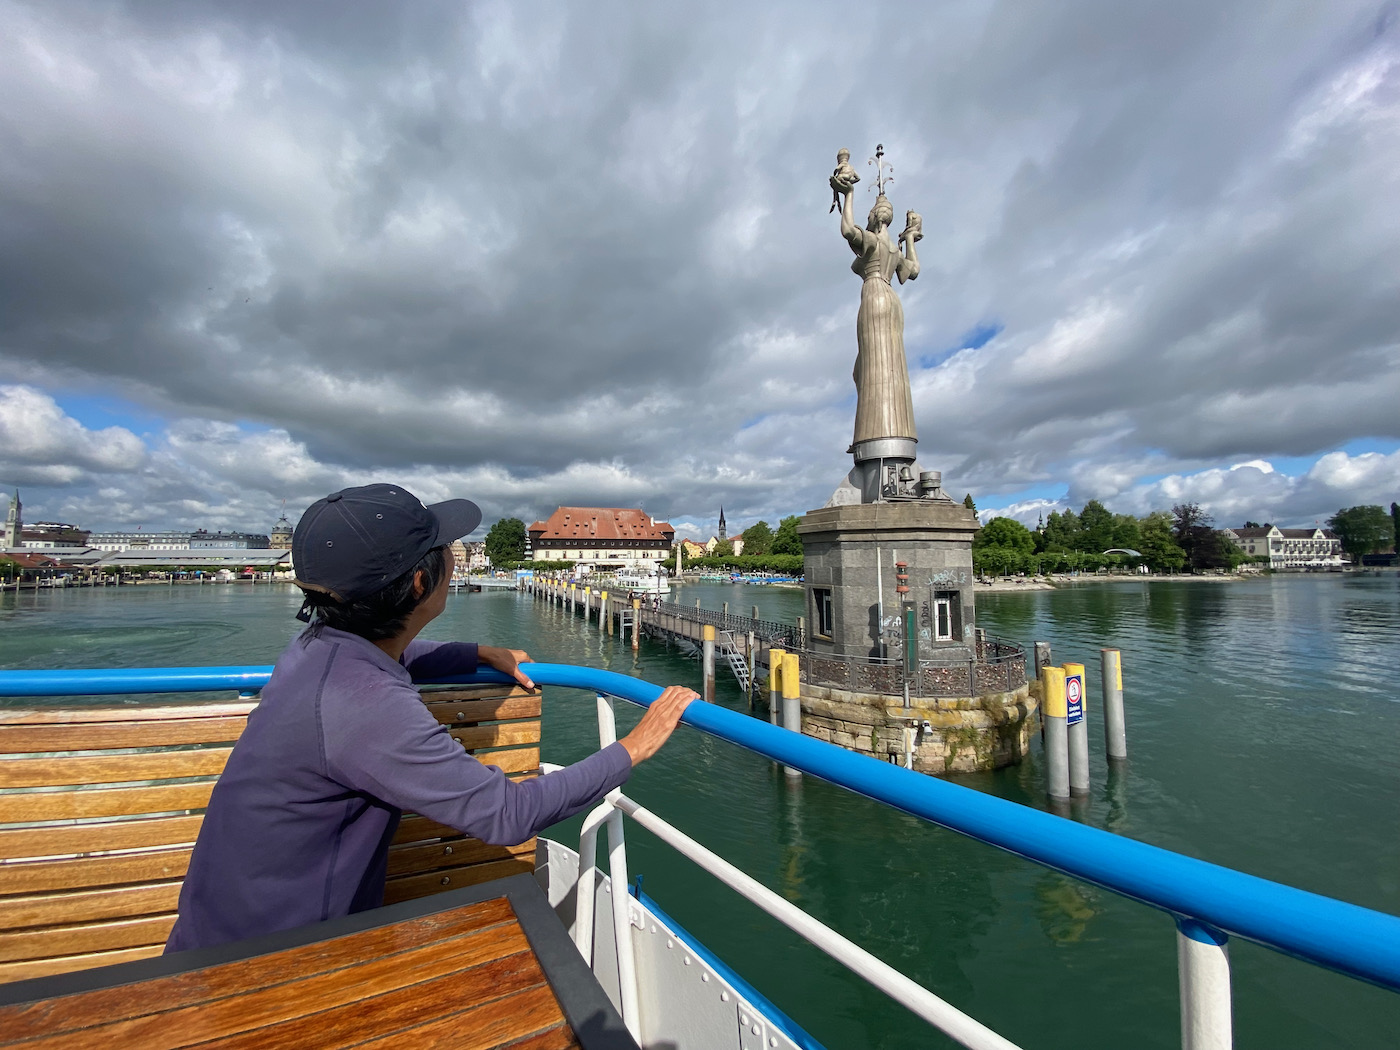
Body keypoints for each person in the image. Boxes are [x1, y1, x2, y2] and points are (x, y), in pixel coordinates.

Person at [165, 483, 695, 953]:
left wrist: (475, 652)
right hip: (273, 968)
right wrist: (634, 746)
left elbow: (391, 655)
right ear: (421, 583)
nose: (452, 555)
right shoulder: (365, 705)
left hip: (224, 939)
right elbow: (508, 813)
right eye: (443, 548)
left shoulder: (316, 649)